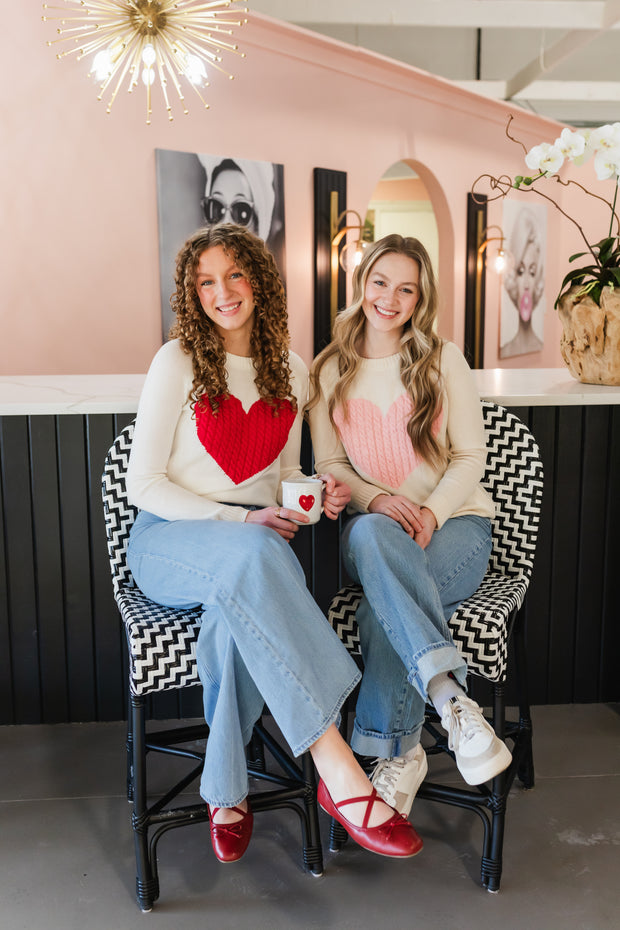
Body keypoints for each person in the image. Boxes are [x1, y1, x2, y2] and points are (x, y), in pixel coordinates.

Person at [125, 224, 423, 864]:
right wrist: (238, 523)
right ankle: (337, 767)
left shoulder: (290, 371)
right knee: (259, 556)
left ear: (259, 280)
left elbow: (283, 479)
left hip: (252, 549)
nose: (222, 292)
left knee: (239, 613)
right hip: (170, 541)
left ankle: (225, 790)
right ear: (191, 292)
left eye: (234, 274)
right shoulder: (176, 360)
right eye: (206, 281)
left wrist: (317, 497)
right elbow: (142, 483)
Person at [309, 234, 512, 820]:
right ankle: (452, 702)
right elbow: (329, 465)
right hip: (373, 534)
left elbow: (471, 456)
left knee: (380, 609)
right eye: (380, 283)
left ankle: (398, 755)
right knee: (373, 539)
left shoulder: (443, 358)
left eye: (406, 289)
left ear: (420, 298)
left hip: (457, 527)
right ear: (361, 283)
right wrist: (373, 500)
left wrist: (430, 512)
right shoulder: (329, 369)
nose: (389, 299)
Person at [500, 207, 545, 358]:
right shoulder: (506, 350)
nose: (526, 284)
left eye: (532, 273)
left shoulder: (540, 347)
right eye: (520, 272)